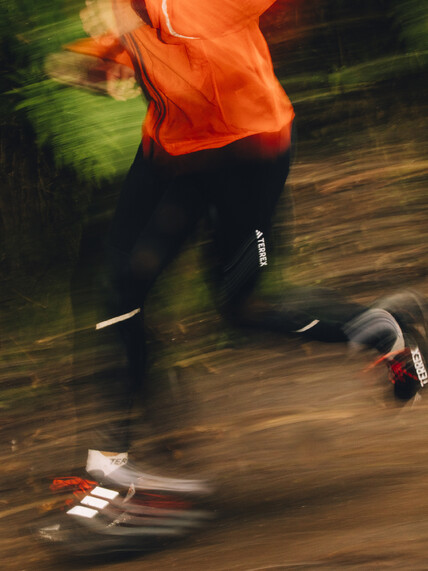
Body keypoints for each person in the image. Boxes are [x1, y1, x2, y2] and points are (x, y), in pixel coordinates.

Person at [38, 0, 428, 556]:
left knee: (240, 306)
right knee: (114, 293)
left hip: (247, 154)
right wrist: (103, 58)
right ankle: (116, 472)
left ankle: (377, 330)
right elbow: (146, 36)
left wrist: (138, 14)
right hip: (172, 153)